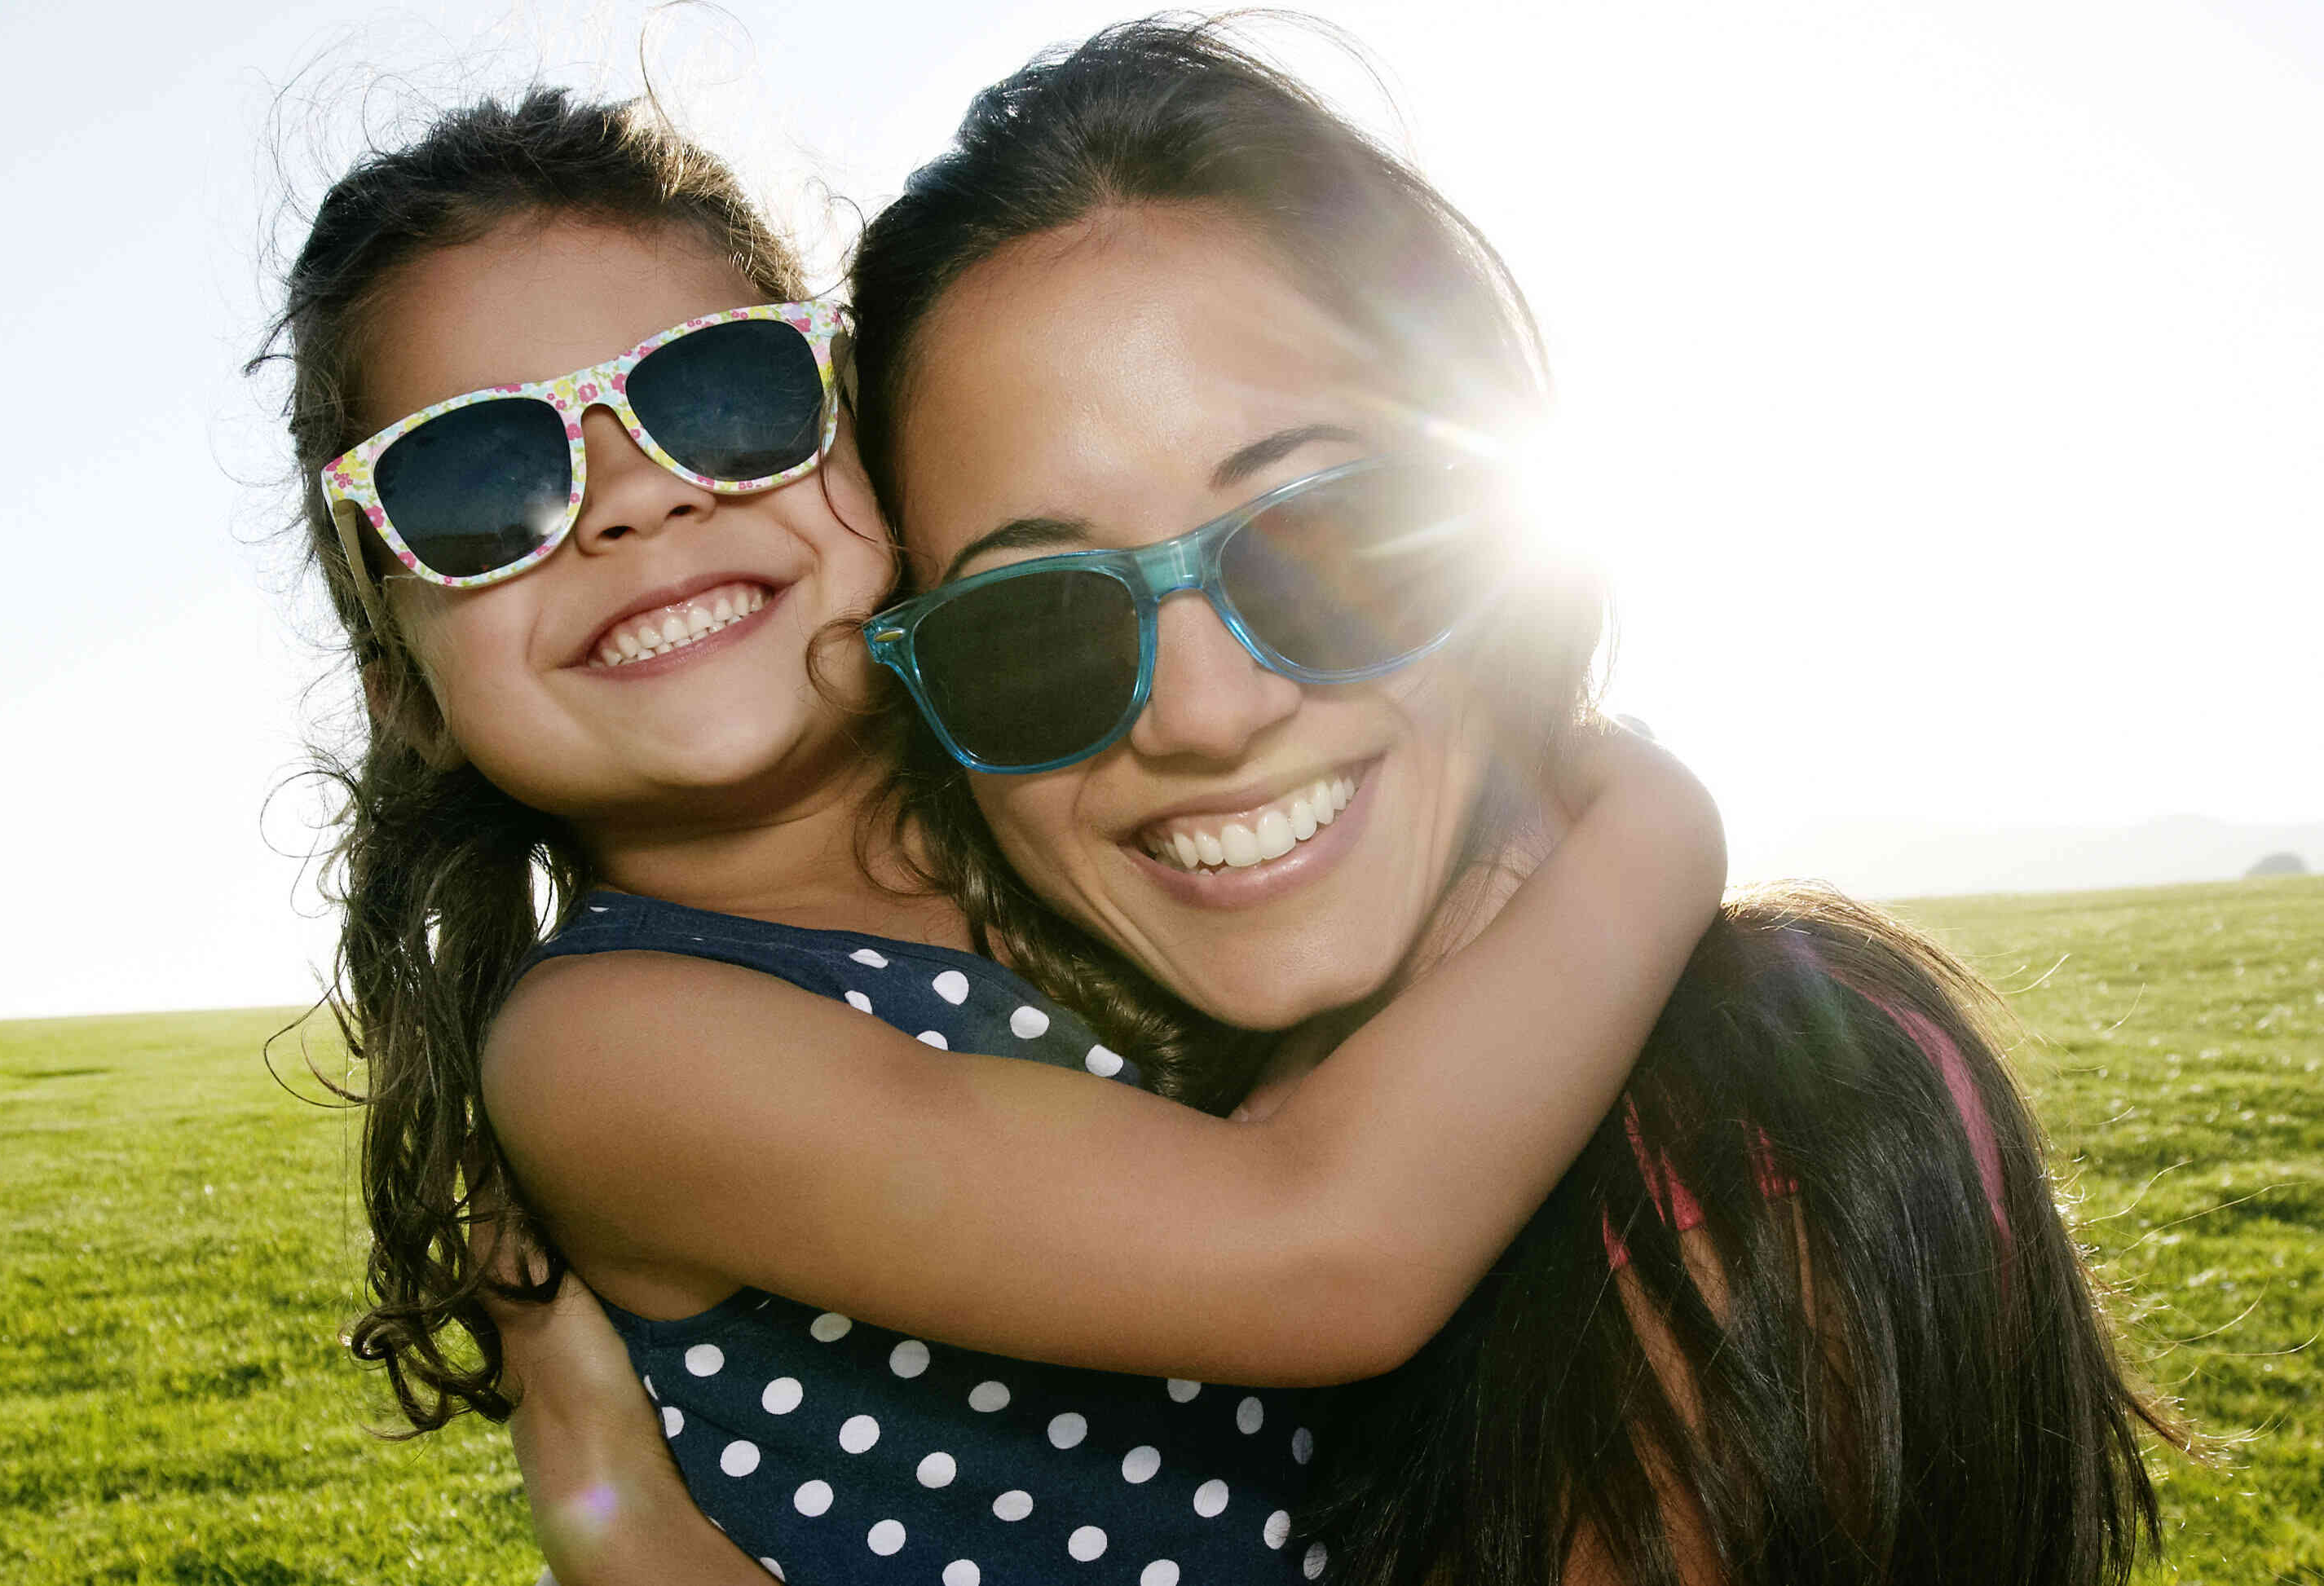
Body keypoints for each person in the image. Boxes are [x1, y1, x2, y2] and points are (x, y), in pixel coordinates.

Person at [500, 20, 2184, 1586]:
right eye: (1040, 630)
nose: (1212, 713)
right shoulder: (1106, 1117)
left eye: (1325, 541)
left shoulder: (1759, 1135)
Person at [266, 87, 1726, 1586]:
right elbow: (1322, 1245)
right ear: (403, 686)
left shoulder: (1077, 816)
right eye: (476, 482)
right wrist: (1660, 819)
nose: (632, 502)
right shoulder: (610, 1046)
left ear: (883, 472)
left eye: (721, 397)